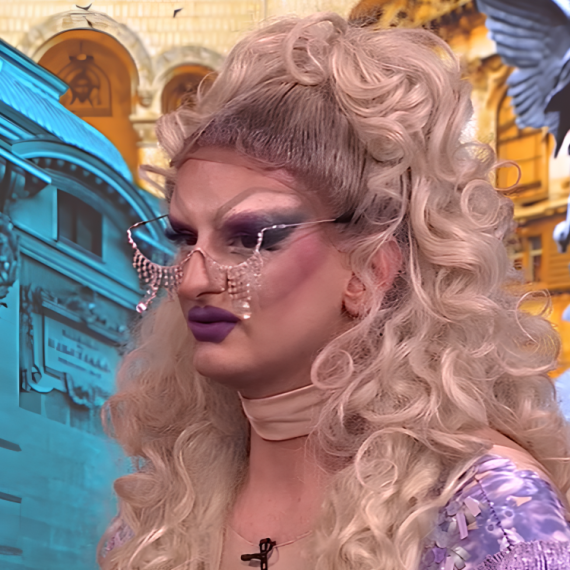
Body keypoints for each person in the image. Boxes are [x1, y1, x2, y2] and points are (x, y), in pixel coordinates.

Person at [98, 12, 570, 570]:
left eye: (249, 239)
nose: (194, 280)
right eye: (184, 238)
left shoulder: (491, 516)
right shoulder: (159, 516)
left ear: (369, 269)